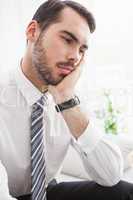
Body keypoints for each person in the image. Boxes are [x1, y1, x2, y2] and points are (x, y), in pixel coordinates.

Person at [0, 0, 133, 199]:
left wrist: (66, 100)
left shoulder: (68, 96)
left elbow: (111, 176)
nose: (75, 57)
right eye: (67, 40)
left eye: (82, 50)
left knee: (124, 192)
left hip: (47, 191)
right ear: (32, 31)